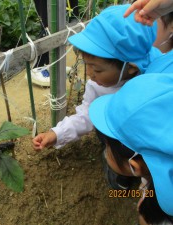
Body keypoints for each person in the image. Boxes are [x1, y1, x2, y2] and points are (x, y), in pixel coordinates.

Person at [32, 4, 161, 189]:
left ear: (131, 68)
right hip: (118, 139)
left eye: (97, 69)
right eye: (86, 64)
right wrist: (56, 134)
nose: (89, 74)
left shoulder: (155, 79)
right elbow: (86, 114)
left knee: (148, 174)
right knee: (117, 163)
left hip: (142, 140)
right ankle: (120, 173)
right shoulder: (97, 85)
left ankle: (144, 179)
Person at [89, 73, 173, 224]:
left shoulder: (159, 215)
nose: (106, 151)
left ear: (134, 165)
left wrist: (147, 212)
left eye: (108, 147)